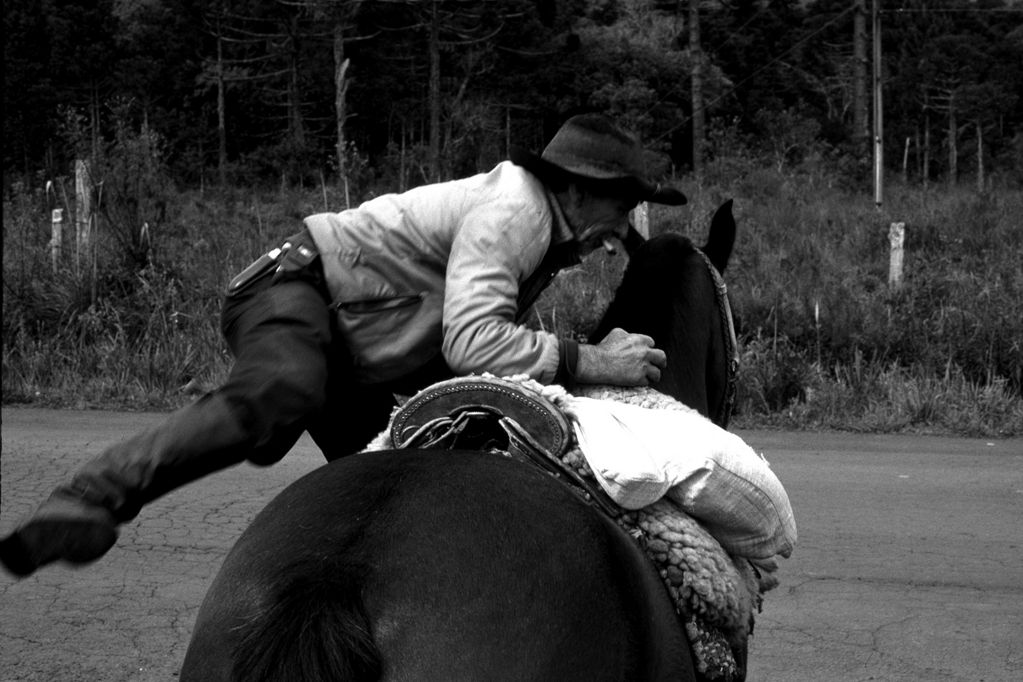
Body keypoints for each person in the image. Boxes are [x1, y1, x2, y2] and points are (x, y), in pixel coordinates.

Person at [0, 113, 686, 577]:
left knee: (425, 477)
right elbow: (474, 340)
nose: (622, 223)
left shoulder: (543, 232)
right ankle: (88, 497)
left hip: (364, 351)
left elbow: (475, 339)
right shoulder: (516, 210)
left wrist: (563, 357)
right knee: (281, 392)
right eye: (619, 202)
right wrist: (591, 360)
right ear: (574, 188)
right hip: (298, 291)